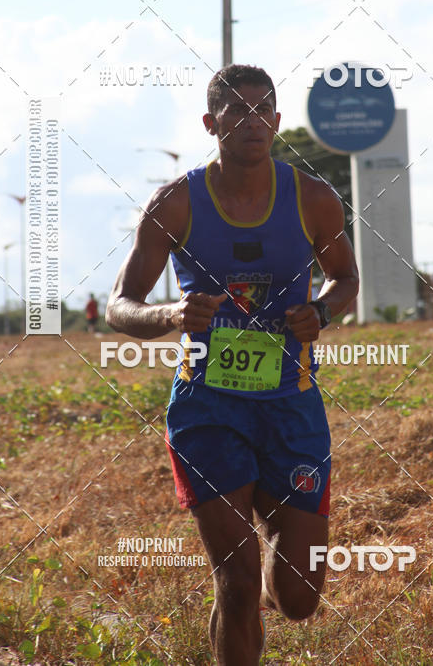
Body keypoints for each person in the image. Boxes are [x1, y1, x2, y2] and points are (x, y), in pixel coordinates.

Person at [106, 64, 359, 665]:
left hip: (290, 408)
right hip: (208, 410)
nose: (253, 124)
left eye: (263, 113)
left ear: (276, 122)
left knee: (297, 596)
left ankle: (270, 569)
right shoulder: (174, 203)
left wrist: (321, 314)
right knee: (239, 580)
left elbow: (346, 278)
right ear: (210, 123)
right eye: (238, 112)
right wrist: (169, 314)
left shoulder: (313, 199)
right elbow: (120, 306)